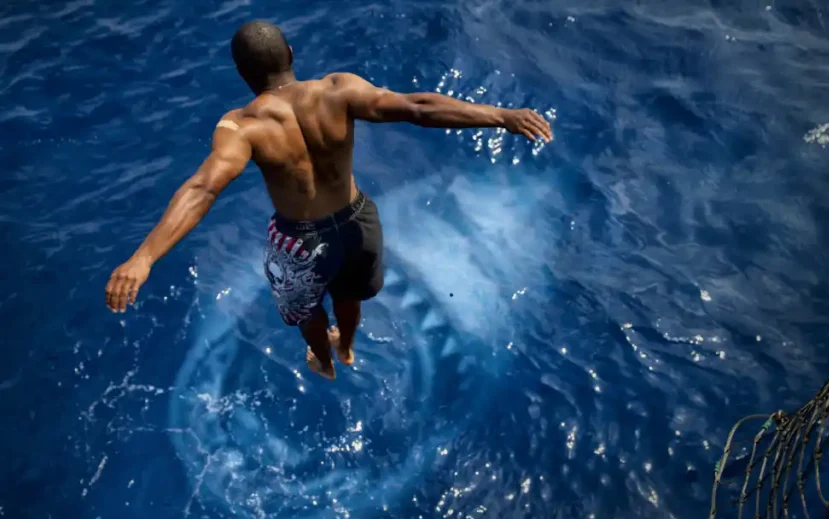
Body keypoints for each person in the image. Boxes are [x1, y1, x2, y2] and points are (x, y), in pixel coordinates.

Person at [104, 20, 553, 380]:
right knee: (350, 292)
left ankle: (322, 357)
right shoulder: (338, 90)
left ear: (243, 74)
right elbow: (418, 107)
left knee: (306, 310)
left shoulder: (241, 126)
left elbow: (203, 188)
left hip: (300, 241)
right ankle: (348, 345)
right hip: (358, 222)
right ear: (291, 54)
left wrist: (144, 257)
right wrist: (500, 115)